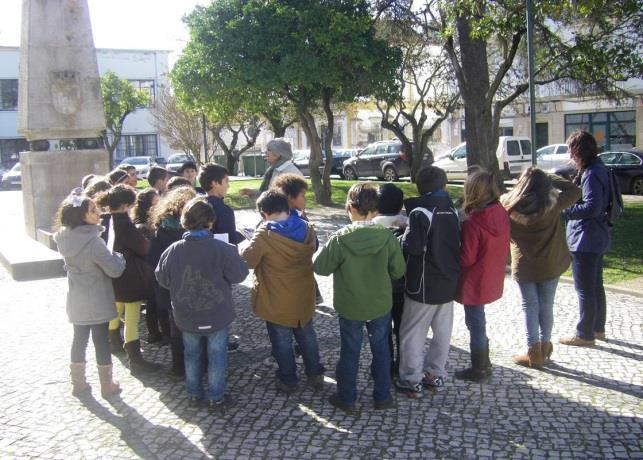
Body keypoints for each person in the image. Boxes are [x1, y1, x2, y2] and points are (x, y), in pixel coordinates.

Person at [314, 183, 405, 413]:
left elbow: (321, 267)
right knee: (382, 350)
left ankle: (347, 398)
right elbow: (398, 271)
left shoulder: (339, 238)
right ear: (376, 209)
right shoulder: (386, 237)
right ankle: (382, 397)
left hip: (350, 305)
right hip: (380, 304)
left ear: (349, 208)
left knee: (350, 351)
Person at [155, 197, 249, 409]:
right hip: (217, 312)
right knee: (217, 354)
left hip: (186, 313)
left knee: (191, 353)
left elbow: (162, 278)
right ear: (211, 222)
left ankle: (194, 393)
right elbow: (239, 275)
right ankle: (216, 396)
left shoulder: (173, 249)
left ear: (184, 222)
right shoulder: (221, 248)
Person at [241, 190, 325, 394]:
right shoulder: (307, 227)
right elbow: (313, 249)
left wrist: (247, 243)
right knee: (307, 334)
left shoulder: (264, 235)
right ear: (287, 207)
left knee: (281, 341)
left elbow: (248, 261)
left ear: (263, 214)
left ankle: (288, 379)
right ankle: (315, 373)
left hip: (276, 297)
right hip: (303, 293)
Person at [501, 167, 581, 367]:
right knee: (546, 305)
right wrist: (549, 177)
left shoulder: (507, 205)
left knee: (530, 307)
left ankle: (533, 351)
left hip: (524, 264)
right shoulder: (553, 204)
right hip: (549, 262)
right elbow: (576, 191)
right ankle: (545, 347)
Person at [394, 167, 461, 397]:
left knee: (412, 333)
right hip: (449, 281)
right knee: (442, 332)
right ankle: (435, 374)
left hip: (423, 284)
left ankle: (411, 379)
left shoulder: (420, 212)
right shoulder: (454, 210)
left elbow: (412, 247)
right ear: (443, 186)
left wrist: (402, 236)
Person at [53, 189, 125, 398]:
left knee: (79, 339)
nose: (99, 213)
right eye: (93, 210)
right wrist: (118, 256)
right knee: (101, 340)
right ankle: (107, 385)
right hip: (97, 297)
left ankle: (78, 383)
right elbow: (115, 269)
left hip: (76, 297)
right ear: (81, 216)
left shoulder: (63, 238)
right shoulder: (94, 242)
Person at [95, 184, 158, 375]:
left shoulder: (104, 221)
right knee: (131, 317)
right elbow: (144, 248)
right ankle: (135, 359)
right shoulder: (124, 223)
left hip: (109, 274)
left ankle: (113, 342)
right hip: (129, 275)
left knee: (116, 308)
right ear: (125, 205)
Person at [455, 170, 510, 382]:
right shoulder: (500, 212)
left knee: (475, 323)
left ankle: (479, 368)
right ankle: (484, 363)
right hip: (491, 274)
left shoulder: (473, 223)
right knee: (479, 321)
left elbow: (466, 258)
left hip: (475, 279)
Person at [559, 130, 611, 347]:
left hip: (586, 238)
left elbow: (592, 207)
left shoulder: (591, 173)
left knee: (585, 289)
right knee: (596, 286)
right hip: (598, 235)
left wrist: (563, 210)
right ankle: (597, 329)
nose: (570, 156)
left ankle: (584, 334)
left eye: (572, 150)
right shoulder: (601, 168)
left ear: (580, 151)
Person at [147, 186, 198, 377]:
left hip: (169, 287)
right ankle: (198, 365)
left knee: (176, 327)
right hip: (191, 284)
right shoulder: (192, 229)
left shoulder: (161, 228)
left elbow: (153, 260)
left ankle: (179, 367)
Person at [372, 183, 407, 377]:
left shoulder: (371, 225)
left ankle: (383, 367)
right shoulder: (408, 223)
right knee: (403, 330)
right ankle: (403, 365)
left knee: (382, 332)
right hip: (403, 287)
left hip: (380, 289)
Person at [199, 163, 245, 245]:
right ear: (215, 183)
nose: (228, 186)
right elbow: (230, 241)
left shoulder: (195, 207)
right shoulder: (224, 211)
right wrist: (245, 234)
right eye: (226, 181)